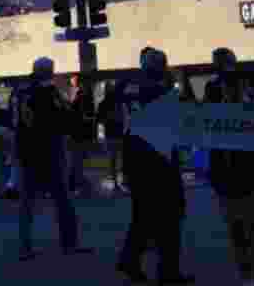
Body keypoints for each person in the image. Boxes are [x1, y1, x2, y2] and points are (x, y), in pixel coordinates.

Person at [114, 48, 194, 285]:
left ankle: (131, 259)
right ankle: (167, 271)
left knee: (143, 215)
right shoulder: (161, 90)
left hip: (134, 160)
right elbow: (179, 120)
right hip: (159, 160)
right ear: (161, 66)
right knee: (171, 215)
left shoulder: (125, 86)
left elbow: (115, 114)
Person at [205, 48, 254, 286]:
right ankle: (248, 273)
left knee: (253, 226)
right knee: (238, 227)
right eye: (219, 65)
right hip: (228, 170)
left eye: (223, 64)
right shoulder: (212, 89)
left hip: (252, 169)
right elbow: (208, 125)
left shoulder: (252, 84)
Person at [16, 57, 93, 261]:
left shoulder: (23, 91)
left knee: (28, 202)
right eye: (51, 70)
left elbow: (21, 123)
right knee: (62, 199)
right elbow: (60, 118)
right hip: (50, 150)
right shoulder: (48, 92)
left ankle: (25, 247)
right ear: (48, 72)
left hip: (29, 151)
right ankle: (69, 244)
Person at [66, 75, 95, 198]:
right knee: (77, 160)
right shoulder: (81, 96)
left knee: (76, 159)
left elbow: (80, 114)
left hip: (78, 132)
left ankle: (76, 183)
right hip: (79, 133)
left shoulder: (81, 96)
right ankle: (76, 184)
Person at [96, 80, 126, 192]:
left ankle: (118, 182)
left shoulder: (111, 102)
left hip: (115, 133)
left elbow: (99, 119)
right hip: (113, 133)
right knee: (115, 159)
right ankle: (117, 182)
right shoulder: (108, 103)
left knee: (116, 159)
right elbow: (100, 119)